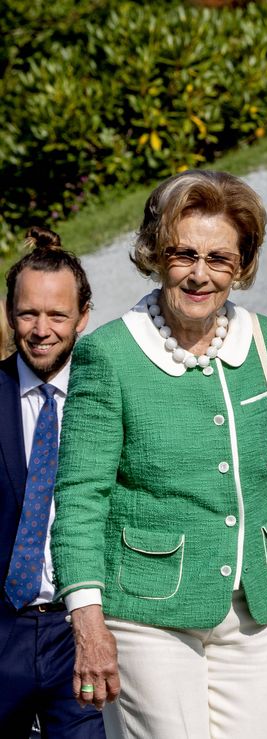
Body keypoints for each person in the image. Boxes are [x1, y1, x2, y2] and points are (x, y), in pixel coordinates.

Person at [48, 170, 267, 738]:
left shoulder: (266, 343)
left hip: (255, 607)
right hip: (147, 612)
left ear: (241, 267)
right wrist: (87, 620)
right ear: (154, 254)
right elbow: (80, 497)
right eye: (183, 254)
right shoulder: (109, 356)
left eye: (219, 259)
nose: (200, 274)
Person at [1, 227, 104, 737]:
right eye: (27, 313)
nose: (41, 329)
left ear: (83, 316)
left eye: (57, 315)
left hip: (81, 628)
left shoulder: (106, 395)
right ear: (9, 314)